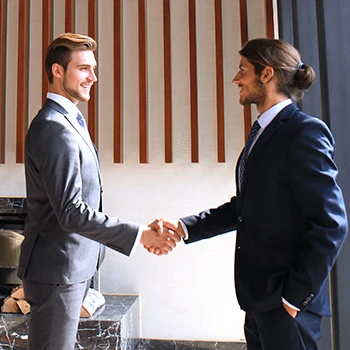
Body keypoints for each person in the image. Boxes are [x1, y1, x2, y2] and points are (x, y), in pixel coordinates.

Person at [153, 38, 348, 349]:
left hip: (286, 306)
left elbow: (331, 224)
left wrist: (294, 297)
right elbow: (245, 207)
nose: (236, 79)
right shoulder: (263, 132)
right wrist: (183, 226)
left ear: (266, 74)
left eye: (242, 70)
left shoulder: (304, 132)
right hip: (258, 302)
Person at [18, 33, 180, 350]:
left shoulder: (69, 121)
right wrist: (141, 235)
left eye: (93, 69)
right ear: (57, 71)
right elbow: (71, 212)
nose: (93, 77)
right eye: (83, 69)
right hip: (56, 272)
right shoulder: (53, 127)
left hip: (69, 269)